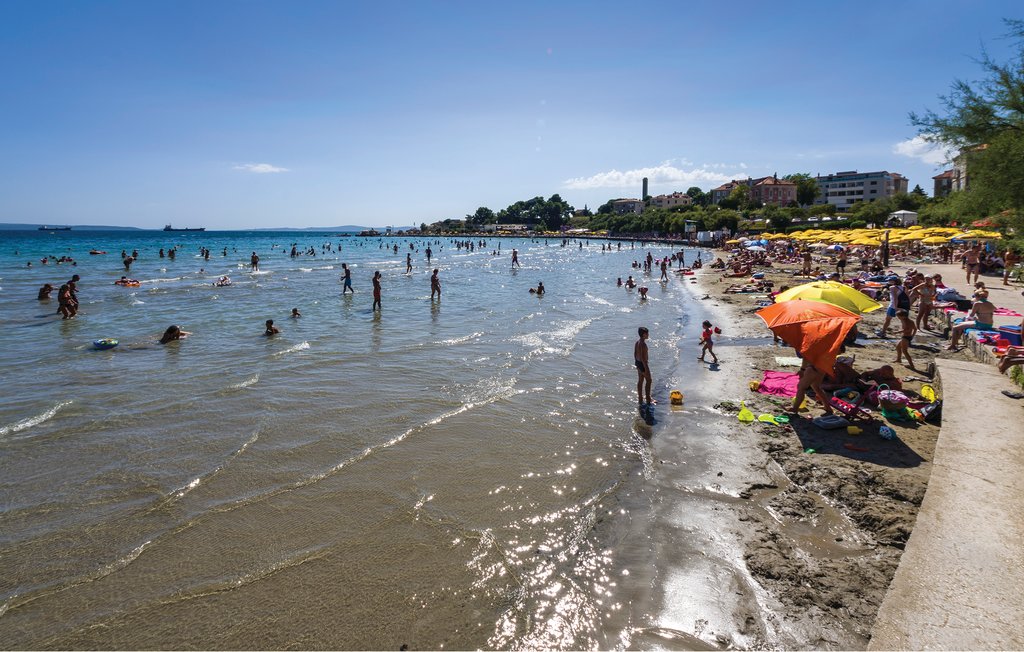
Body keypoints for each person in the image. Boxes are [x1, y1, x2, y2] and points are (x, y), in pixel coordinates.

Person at [634, 327, 653, 405]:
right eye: (647, 333)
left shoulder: (637, 342)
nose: (648, 335)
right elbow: (642, 357)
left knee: (640, 380)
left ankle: (640, 398)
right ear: (643, 334)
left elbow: (635, 353)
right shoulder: (643, 344)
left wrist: (636, 363)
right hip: (643, 364)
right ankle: (648, 399)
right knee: (649, 380)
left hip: (638, 362)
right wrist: (646, 368)